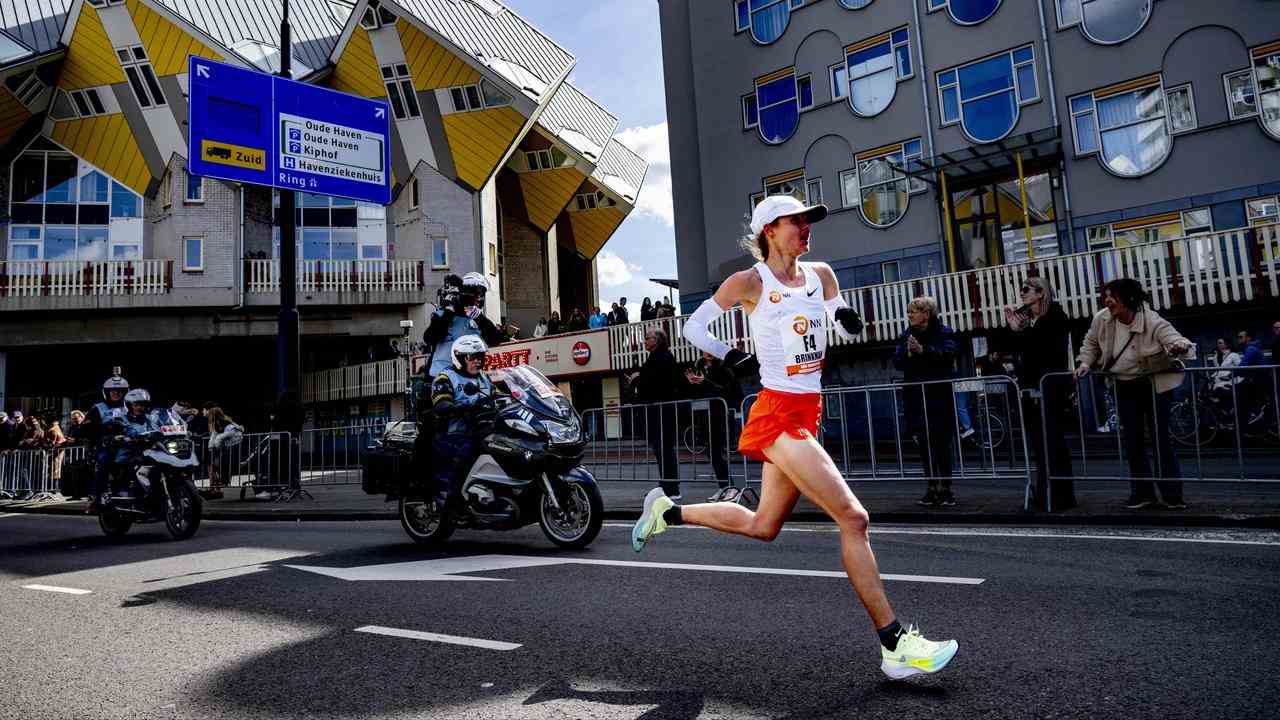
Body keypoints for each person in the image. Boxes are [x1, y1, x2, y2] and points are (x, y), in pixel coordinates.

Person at [636, 194, 956, 679]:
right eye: (797, 222)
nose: (806, 228)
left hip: (809, 410)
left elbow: (836, 308)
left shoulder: (821, 273)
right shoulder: (750, 281)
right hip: (777, 413)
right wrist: (731, 356)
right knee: (853, 517)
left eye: (809, 221)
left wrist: (845, 316)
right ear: (770, 229)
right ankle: (895, 644)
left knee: (764, 525)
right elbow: (694, 327)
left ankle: (669, 511)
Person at [1076, 278, 1194, 510]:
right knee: (1133, 441)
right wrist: (1085, 363)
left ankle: (1172, 496)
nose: (1108, 300)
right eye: (1106, 296)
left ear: (1129, 298)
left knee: (1161, 439)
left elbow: (1174, 338)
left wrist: (1180, 346)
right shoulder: (1102, 318)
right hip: (1124, 384)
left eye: (1113, 296)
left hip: (1153, 383)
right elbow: (1090, 343)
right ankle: (1142, 494)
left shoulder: (1151, 320)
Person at [996, 276, 1076, 511]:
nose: (1022, 294)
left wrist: (1018, 332)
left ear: (1041, 293)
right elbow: (1011, 346)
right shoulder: (1033, 321)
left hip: (1050, 389)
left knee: (1052, 443)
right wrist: (1013, 328)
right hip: (1034, 388)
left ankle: (1057, 495)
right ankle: (1048, 494)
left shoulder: (1055, 317)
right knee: (1042, 444)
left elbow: (1042, 350)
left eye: (1026, 290)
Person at [894, 296, 959, 507]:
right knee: (923, 442)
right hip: (915, 396)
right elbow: (897, 361)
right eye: (909, 311)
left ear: (926, 314)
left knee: (942, 442)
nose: (910, 315)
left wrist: (924, 351)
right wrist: (909, 353)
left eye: (914, 311)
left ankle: (946, 488)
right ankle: (931, 487)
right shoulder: (906, 335)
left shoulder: (943, 332)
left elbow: (949, 355)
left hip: (938, 396)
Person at [429, 334, 496, 509]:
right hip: (455, 433)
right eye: (472, 357)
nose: (477, 361)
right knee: (467, 451)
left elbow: (499, 396)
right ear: (459, 358)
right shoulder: (445, 377)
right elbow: (441, 403)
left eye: (480, 357)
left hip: (483, 430)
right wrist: (463, 406)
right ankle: (453, 500)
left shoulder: (484, 379)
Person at [624, 328, 686, 498]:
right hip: (657, 411)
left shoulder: (663, 357)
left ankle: (672, 488)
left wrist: (638, 377)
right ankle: (666, 484)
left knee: (664, 448)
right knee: (661, 448)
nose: (645, 341)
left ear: (657, 340)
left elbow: (654, 382)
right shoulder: (657, 357)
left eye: (647, 338)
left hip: (662, 410)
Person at [422, 273, 505, 377]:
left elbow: (495, 340)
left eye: (481, 294)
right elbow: (430, 338)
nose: (478, 299)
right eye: (474, 294)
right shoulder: (444, 314)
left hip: (469, 377)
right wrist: (450, 311)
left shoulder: (477, 318)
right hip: (442, 377)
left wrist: (480, 318)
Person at [685, 351, 742, 501]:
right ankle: (723, 486)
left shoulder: (724, 368)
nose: (708, 353)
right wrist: (692, 383)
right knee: (712, 452)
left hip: (720, 415)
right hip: (705, 416)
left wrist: (705, 382)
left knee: (719, 451)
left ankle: (731, 487)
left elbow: (727, 391)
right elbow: (698, 393)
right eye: (704, 349)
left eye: (710, 349)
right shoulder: (699, 367)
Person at [82, 372, 130, 510]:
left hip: (130, 443)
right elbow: (86, 426)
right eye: (113, 391)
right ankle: (98, 496)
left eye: (120, 391)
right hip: (108, 445)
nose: (116, 393)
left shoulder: (132, 407)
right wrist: (101, 433)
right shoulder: (98, 408)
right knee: (105, 461)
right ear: (107, 392)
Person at [205, 406, 243, 499]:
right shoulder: (221, 421)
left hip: (232, 445)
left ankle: (220, 485)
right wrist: (211, 446)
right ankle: (217, 487)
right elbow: (215, 434)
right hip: (228, 446)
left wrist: (215, 446)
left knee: (219, 463)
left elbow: (220, 436)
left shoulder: (222, 421)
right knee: (216, 464)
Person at [1209, 338, 1243, 406]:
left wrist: (1230, 376)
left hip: (1231, 382)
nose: (1218, 345)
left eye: (1220, 343)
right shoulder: (1216, 357)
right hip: (1219, 381)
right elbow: (1218, 370)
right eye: (1218, 343)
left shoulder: (1234, 355)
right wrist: (1212, 376)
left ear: (1227, 344)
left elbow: (1240, 368)